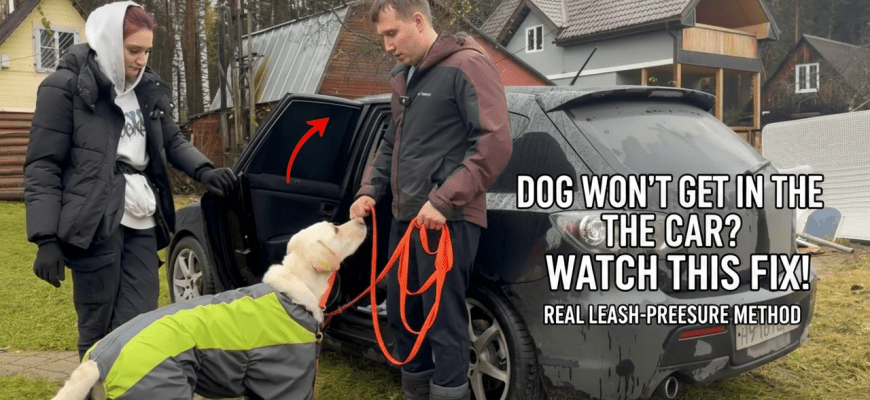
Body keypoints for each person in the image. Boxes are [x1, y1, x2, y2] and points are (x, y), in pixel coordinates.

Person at [25, 1, 236, 359]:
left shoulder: (145, 89)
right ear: (107, 43)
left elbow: (171, 140)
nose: (141, 59)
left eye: (147, 51)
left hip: (142, 214)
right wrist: (46, 238)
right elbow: (44, 165)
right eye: (133, 50)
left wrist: (204, 170)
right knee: (98, 324)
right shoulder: (64, 87)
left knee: (140, 321)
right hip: (93, 217)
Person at [349, 1, 512, 399]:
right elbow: (391, 142)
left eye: (392, 34)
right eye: (382, 37)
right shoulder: (406, 77)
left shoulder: (468, 65)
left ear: (418, 21)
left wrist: (444, 200)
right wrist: (368, 191)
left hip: (447, 222)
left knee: (443, 323)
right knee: (404, 318)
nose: (387, 46)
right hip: (406, 219)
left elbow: (494, 143)